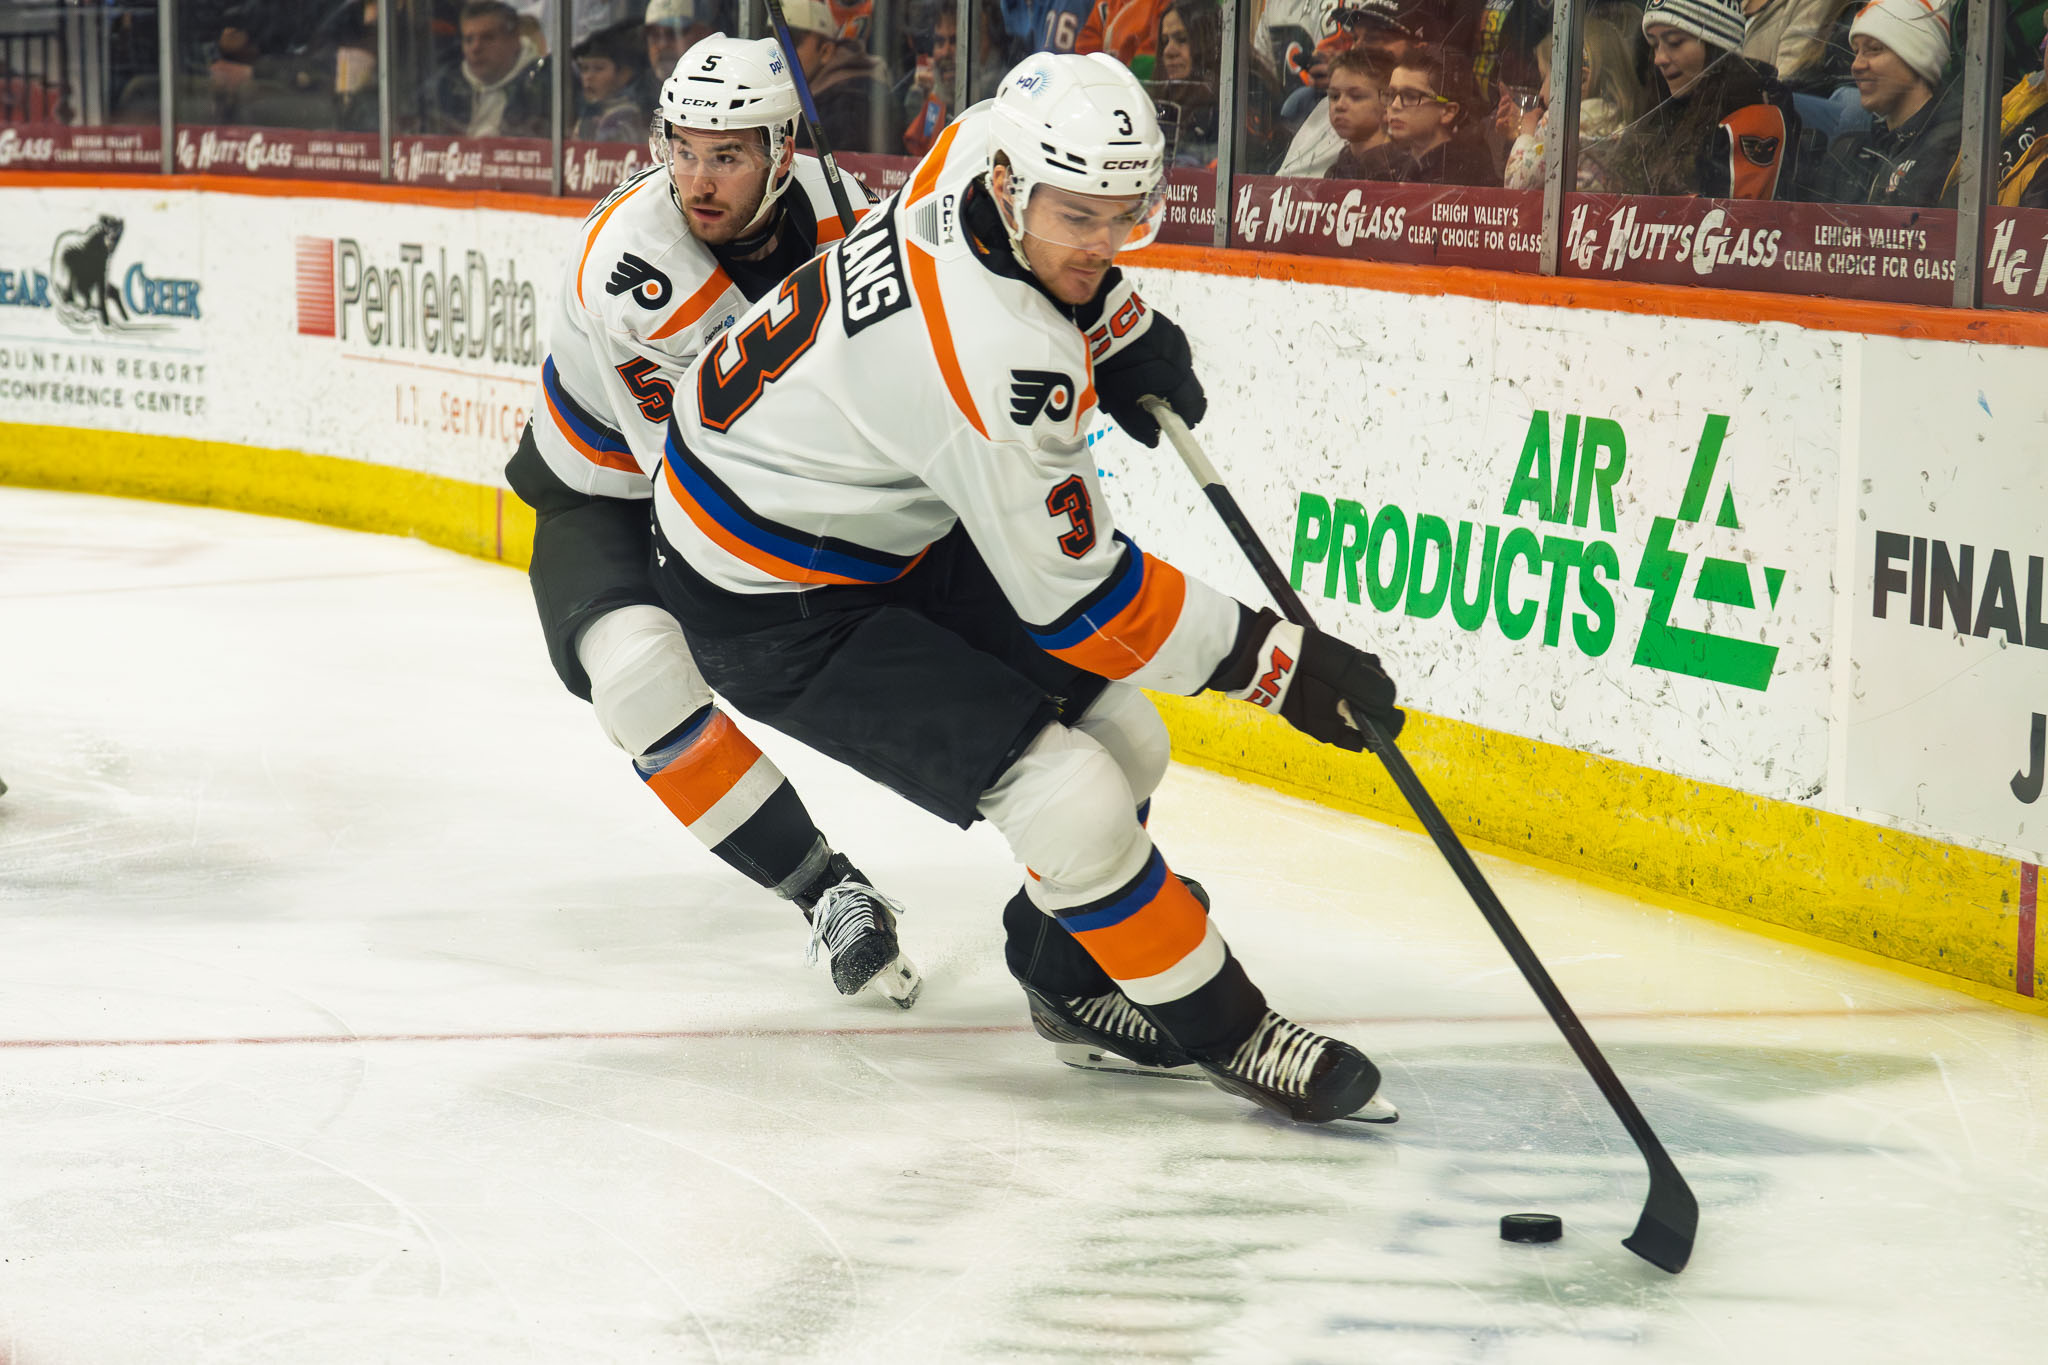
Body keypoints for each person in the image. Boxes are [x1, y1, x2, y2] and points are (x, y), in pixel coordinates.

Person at [645, 52, 1406, 1125]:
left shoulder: (975, 148)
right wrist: (1278, 667)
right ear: (1011, 188)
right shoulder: (999, 364)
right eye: (1074, 219)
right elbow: (1086, 605)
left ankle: (1069, 982)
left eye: (1121, 219)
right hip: (766, 594)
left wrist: (1118, 328)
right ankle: (1234, 1033)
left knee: (1129, 741)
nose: (1097, 243)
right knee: (1069, 797)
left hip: (861, 514)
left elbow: (1051, 230)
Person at [502, 35, 922, 1009]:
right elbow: (692, 479)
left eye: (725, 155)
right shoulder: (635, 271)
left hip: (763, 481)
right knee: (639, 681)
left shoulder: (844, 211)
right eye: (681, 149)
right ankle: (828, 892)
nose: (695, 179)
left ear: (783, 151)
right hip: (609, 491)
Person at [1609, 0, 1800, 197]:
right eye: (1654, 45)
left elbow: (1735, 214)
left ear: (1716, 46)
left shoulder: (1754, 120)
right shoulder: (1664, 114)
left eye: (1675, 42)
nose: (1659, 58)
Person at [1808, 0, 1958, 206]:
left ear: (1918, 56)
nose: (1856, 65)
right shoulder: (1848, 152)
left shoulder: (1953, 150)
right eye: (1856, 51)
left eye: (1874, 49)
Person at [1500, 19, 1645, 189]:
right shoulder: (1623, 126)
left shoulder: (1557, 125)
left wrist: (1526, 134)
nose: (1541, 93)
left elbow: (1515, 184)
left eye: (1544, 78)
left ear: (1581, 80)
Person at [1352, 46, 1499, 184]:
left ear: (1448, 112)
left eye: (1411, 96)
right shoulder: (1376, 162)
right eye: (1391, 94)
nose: (1395, 106)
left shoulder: (1466, 173)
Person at [424, 0, 552, 137]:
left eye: (487, 38)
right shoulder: (442, 88)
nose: (475, 48)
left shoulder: (544, 87)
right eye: (469, 39)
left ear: (514, 40)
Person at [780, 0, 895, 152]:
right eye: (773, 39)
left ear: (825, 51)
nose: (779, 51)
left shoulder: (852, 104)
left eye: (792, 41)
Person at [1148, 0, 1222, 164]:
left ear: (1209, 41)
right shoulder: (1159, 105)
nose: (1168, 51)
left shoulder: (1229, 106)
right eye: (1165, 41)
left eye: (1182, 39)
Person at [572, 19, 656, 141]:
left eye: (599, 68)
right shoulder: (587, 114)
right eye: (584, 68)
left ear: (624, 75)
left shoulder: (630, 118)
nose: (588, 77)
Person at [1322, 48, 1393, 177]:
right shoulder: (1335, 172)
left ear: (1387, 102)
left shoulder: (1404, 172)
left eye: (1356, 96)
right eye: (1334, 96)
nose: (1339, 105)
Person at [644, 0, 729, 85]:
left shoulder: (729, 84)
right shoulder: (640, 89)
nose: (663, 44)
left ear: (705, 34)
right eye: (654, 34)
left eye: (673, 32)